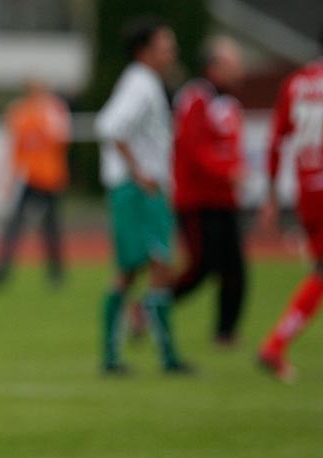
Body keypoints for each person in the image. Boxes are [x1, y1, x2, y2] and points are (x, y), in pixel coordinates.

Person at [95, 17, 189, 373]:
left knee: (145, 269)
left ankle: (139, 354)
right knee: (148, 267)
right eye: (165, 45)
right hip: (136, 192)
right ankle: (147, 356)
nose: (172, 52)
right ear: (144, 51)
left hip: (138, 189)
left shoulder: (144, 82)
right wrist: (140, 174)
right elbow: (111, 127)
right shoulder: (141, 83)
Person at [257, 32, 323, 382]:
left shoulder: (296, 83)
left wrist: (271, 193)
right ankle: (274, 344)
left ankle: (275, 344)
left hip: (308, 191)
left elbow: (276, 139)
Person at [172, 36, 246, 346]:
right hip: (197, 200)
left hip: (224, 200)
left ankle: (225, 333)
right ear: (213, 67)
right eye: (231, 63)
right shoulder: (196, 98)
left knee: (235, 269)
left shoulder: (228, 103)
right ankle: (149, 308)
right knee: (202, 266)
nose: (238, 69)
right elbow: (194, 148)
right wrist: (227, 172)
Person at [0, 79, 71, 286]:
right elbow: (17, 147)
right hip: (31, 176)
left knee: (49, 227)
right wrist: (9, 177)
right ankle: (2, 270)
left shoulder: (51, 110)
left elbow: (60, 139)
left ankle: (55, 272)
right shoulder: (22, 112)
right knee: (18, 224)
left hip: (49, 177)